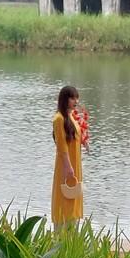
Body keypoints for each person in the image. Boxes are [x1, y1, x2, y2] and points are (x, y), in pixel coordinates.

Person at [51, 86, 83, 228]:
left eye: (76, 98)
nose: (75, 101)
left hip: (74, 162)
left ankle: (73, 231)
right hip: (66, 164)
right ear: (65, 100)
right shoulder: (59, 119)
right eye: (72, 98)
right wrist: (68, 167)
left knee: (73, 195)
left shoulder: (70, 116)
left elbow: (74, 137)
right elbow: (62, 146)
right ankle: (61, 232)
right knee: (64, 195)